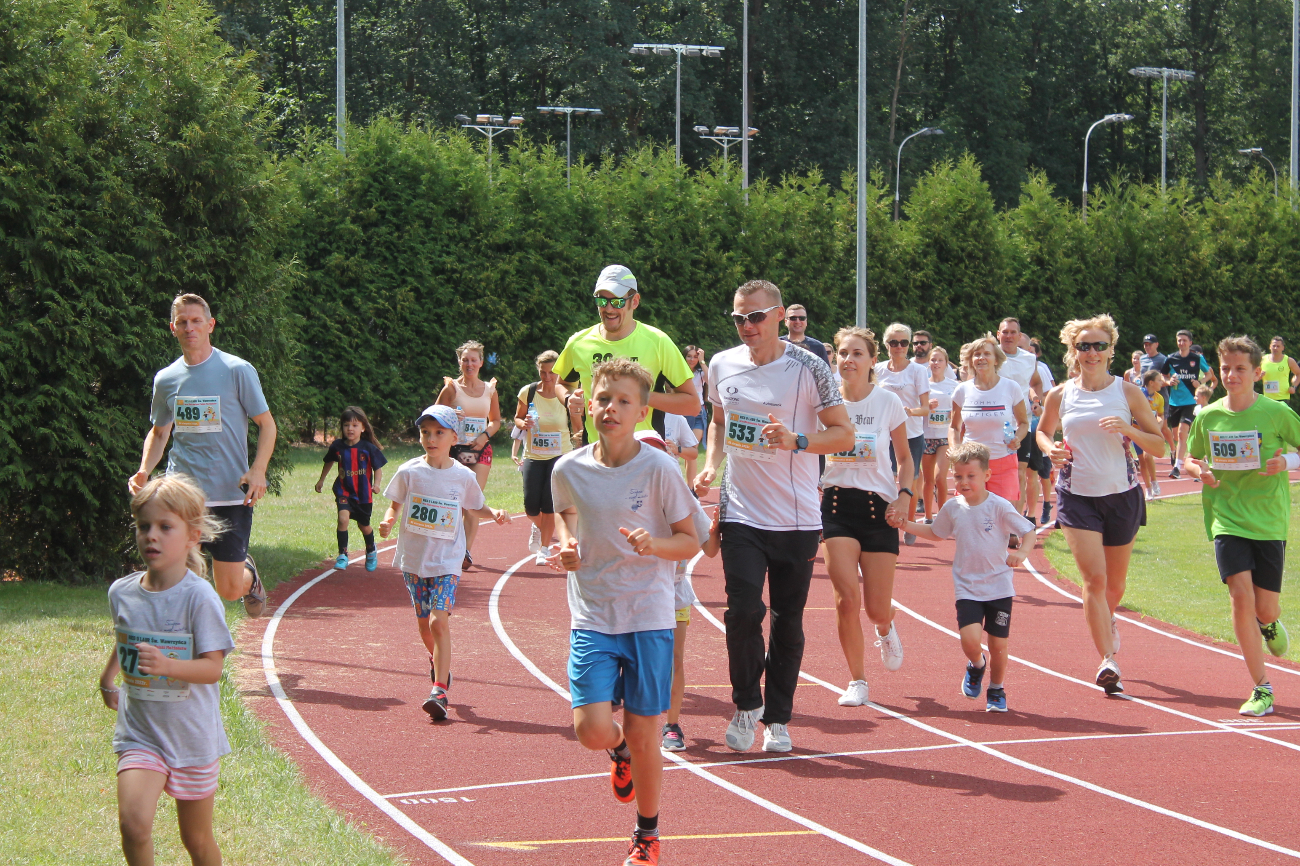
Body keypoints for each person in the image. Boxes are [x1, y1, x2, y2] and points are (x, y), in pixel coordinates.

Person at [548, 359, 701, 866]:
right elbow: (566, 520)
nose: (611, 408)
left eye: (623, 401)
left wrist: (652, 544)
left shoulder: (658, 468)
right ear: (589, 404)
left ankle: (647, 836)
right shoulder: (567, 469)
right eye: (603, 399)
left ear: (640, 412)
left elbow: (689, 539)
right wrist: (566, 546)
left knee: (645, 731)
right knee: (591, 728)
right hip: (593, 613)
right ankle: (618, 754)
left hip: (648, 616)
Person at [692, 280, 853, 753]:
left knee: (788, 621)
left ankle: (778, 718)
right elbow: (719, 425)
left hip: (798, 518)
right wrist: (709, 464)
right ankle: (746, 706)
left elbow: (843, 435)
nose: (747, 327)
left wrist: (798, 441)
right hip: (741, 511)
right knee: (742, 613)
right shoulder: (721, 364)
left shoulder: (811, 367)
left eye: (756, 317)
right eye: (739, 318)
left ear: (780, 316)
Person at [100, 474, 235, 866]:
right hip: (141, 733)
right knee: (134, 824)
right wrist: (108, 676)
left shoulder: (200, 598)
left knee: (196, 840)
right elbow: (125, 635)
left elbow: (212, 669)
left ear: (192, 536)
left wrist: (168, 666)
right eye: (144, 527)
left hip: (192, 737)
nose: (151, 537)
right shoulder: (121, 592)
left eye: (164, 527)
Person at [1036, 314, 1165, 696]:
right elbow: (1043, 431)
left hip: (1122, 495)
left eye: (1099, 346)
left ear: (1111, 350)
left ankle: (1107, 619)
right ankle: (1108, 660)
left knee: (1115, 583)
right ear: (1073, 351)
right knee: (1093, 580)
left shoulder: (1127, 393)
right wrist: (1050, 449)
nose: (1091, 353)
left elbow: (1160, 446)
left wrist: (1129, 430)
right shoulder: (1060, 394)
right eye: (1084, 346)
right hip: (1077, 497)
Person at [129, 293, 275, 617]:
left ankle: (248, 579)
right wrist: (143, 471)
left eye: (196, 321)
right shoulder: (166, 379)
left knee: (228, 589)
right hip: (183, 494)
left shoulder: (237, 370)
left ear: (210, 325)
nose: (189, 327)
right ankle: (191, 648)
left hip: (229, 495)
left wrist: (258, 470)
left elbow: (267, 425)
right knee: (181, 574)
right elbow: (160, 432)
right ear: (173, 328)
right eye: (182, 322)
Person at [1185, 335, 1299, 716]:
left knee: (1265, 608)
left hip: (1268, 521)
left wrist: (1288, 464)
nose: (1232, 375)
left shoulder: (1275, 413)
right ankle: (1261, 687)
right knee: (1239, 595)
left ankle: (1268, 623)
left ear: (1257, 373)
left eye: (1240, 369)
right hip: (1226, 518)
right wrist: (1200, 471)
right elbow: (1191, 458)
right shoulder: (1208, 415)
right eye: (1226, 368)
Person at [378, 405, 510, 721]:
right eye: (425, 432)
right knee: (424, 625)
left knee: (439, 621)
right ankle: (439, 663)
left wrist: (493, 513)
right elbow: (394, 505)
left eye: (438, 433)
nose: (431, 438)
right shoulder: (409, 471)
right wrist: (388, 520)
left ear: (454, 437)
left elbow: (475, 507)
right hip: (414, 560)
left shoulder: (463, 476)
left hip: (447, 561)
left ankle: (439, 690)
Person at [891, 442, 1036, 712]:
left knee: (999, 644)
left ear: (986, 476)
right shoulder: (953, 507)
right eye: (958, 476)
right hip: (967, 587)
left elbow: (1029, 531)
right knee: (970, 640)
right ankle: (977, 665)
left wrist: (1023, 553)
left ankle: (996, 688)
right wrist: (906, 525)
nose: (964, 482)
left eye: (971, 476)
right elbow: (936, 532)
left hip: (999, 587)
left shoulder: (999, 506)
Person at [821, 327, 911, 709]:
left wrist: (905, 497)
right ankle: (857, 680)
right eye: (843, 352)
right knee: (846, 600)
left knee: (874, 607)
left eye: (857, 353)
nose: (848, 360)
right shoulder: (823, 405)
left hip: (879, 510)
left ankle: (886, 624)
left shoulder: (888, 402)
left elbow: (906, 459)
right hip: (838, 506)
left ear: (872, 360)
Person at [630, 429, 719, 753]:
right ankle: (636, 718)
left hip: (675, 595)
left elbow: (709, 549)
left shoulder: (684, 501)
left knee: (675, 660)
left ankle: (672, 724)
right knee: (639, 661)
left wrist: (717, 525)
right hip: (636, 595)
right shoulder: (626, 501)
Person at [556, 265, 700, 444]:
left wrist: (639, 396)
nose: (608, 309)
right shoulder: (579, 342)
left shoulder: (658, 342)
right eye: (602, 301)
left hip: (645, 459)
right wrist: (570, 399)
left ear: (635, 301)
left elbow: (692, 405)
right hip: (597, 457)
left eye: (617, 301)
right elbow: (562, 384)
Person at [948, 333, 1029, 541]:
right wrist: (956, 450)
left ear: (996, 359)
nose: (981, 358)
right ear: (971, 360)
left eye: (986, 354)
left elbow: (1023, 424)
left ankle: (1001, 562)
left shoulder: (1010, 387)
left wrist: (1017, 438)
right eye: (977, 354)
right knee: (970, 522)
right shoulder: (962, 390)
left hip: (1002, 461)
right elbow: (954, 427)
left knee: (1002, 524)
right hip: (971, 464)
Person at [436, 340, 502, 570]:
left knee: (473, 497)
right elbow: (434, 416)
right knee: (455, 500)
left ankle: (465, 552)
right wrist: (449, 415)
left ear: (481, 363)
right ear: (459, 362)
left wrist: (485, 434)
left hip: (480, 450)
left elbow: (496, 421)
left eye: (474, 360)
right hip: (455, 450)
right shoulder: (451, 388)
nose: (469, 364)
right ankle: (449, 545)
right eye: (465, 360)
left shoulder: (490, 389)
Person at [514, 350, 574, 566]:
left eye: (551, 372)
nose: (547, 377)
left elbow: (576, 421)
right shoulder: (528, 392)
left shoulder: (567, 394)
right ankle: (539, 526)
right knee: (531, 506)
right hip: (533, 454)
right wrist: (524, 423)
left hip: (559, 455)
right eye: (543, 372)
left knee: (549, 504)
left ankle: (544, 548)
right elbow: (517, 419)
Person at [874, 323, 930, 544]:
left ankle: (909, 522)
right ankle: (883, 521)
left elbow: (926, 408)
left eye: (904, 343)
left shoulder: (918, 370)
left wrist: (910, 411)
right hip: (883, 433)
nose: (899, 347)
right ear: (886, 345)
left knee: (910, 480)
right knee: (883, 479)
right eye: (894, 343)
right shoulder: (877, 369)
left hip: (911, 433)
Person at [314, 406, 387, 572]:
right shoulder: (337, 447)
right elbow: (329, 462)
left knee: (364, 526)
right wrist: (321, 480)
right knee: (342, 519)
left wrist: (377, 484)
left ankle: (370, 550)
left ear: (363, 428)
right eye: (346, 425)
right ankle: (343, 555)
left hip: (363, 494)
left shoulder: (368, 448)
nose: (350, 429)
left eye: (355, 425)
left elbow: (378, 468)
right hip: (343, 490)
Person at [996, 319, 1044, 515]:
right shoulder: (991, 355)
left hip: (1020, 424)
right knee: (996, 473)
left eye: (1012, 332)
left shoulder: (1029, 359)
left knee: (1019, 473)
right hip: (995, 422)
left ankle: (1016, 522)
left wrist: (1037, 401)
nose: (1008, 336)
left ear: (1019, 336)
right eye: (1004, 332)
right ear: (998, 334)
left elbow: (1036, 383)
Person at [1162, 329, 1218, 479]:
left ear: (1190, 343)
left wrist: (1200, 382)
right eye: (1179, 340)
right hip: (1175, 402)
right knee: (1177, 436)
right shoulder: (1171, 358)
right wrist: (1168, 382)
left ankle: (1177, 467)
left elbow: (1209, 375)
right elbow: (1163, 375)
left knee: (1182, 432)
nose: (1181, 343)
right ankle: (1192, 456)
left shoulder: (1197, 358)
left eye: (1184, 340)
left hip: (1190, 401)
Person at [922, 346, 956, 522]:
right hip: (926, 435)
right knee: (928, 480)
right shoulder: (923, 385)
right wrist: (926, 406)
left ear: (946, 363)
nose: (936, 363)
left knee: (940, 477)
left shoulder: (954, 385)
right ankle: (928, 517)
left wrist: (953, 414)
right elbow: (917, 408)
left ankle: (942, 516)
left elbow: (960, 409)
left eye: (940, 360)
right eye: (933, 360)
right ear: (929, 363)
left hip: (944, 436)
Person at [1029, 337, 1057, 524]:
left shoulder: (1042, 369)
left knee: (1043, 473)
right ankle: (1028, 511)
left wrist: (1042, 409)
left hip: (1040, 425)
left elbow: (1051, 394)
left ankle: (1047, 504)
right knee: (1026, 472)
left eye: (1032, 352)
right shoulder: (1013, 368)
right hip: (1022, 429)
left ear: (1037, 354)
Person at [1140, 334, 1177, 461]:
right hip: (1145, 396)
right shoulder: (1142, 359)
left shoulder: (1163, 359)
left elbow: (1166, 377)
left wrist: (1168, 382)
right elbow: (1142, 376)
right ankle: (1146, 451)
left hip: (1160, 396)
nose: (1147, 347)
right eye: (1145, 344)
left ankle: (1173, 449)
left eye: (1150, 344)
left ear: (1157, 345)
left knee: (1164, 427)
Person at [1136, 370, 1167, 498]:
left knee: (1148, 456)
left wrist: (1157, 427)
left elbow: (1160, 415)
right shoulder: (1138, 394)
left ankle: (1154, 481)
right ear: (1151, 382)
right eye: (1159, 380)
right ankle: (1148, 489)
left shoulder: (1159, 398)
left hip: (1149, 432)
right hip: (1136, 430)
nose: (1162, 382)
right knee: (1142, 461)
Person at [684, 346, 710, 446]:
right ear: (684, 357)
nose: (692, 359)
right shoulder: (678, 372)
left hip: (698, 413)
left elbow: (710, 380)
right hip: (681, 413)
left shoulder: (700, 373)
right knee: (682, 448)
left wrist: (702, 361)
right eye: (689, 356)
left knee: (693, 446)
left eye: (695, 357)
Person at [1261, 336, 1300, 402]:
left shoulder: (1288, 360)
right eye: (1274, 346)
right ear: (1270, 346)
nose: (1275, 348)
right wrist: (1258, 376)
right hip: (1267, 398)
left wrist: (1294, 386)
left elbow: (1298, 374)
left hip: (1283, 398)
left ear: (1283, 348)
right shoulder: (1263, 360)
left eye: (1278, 346)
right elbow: (1253, 374)